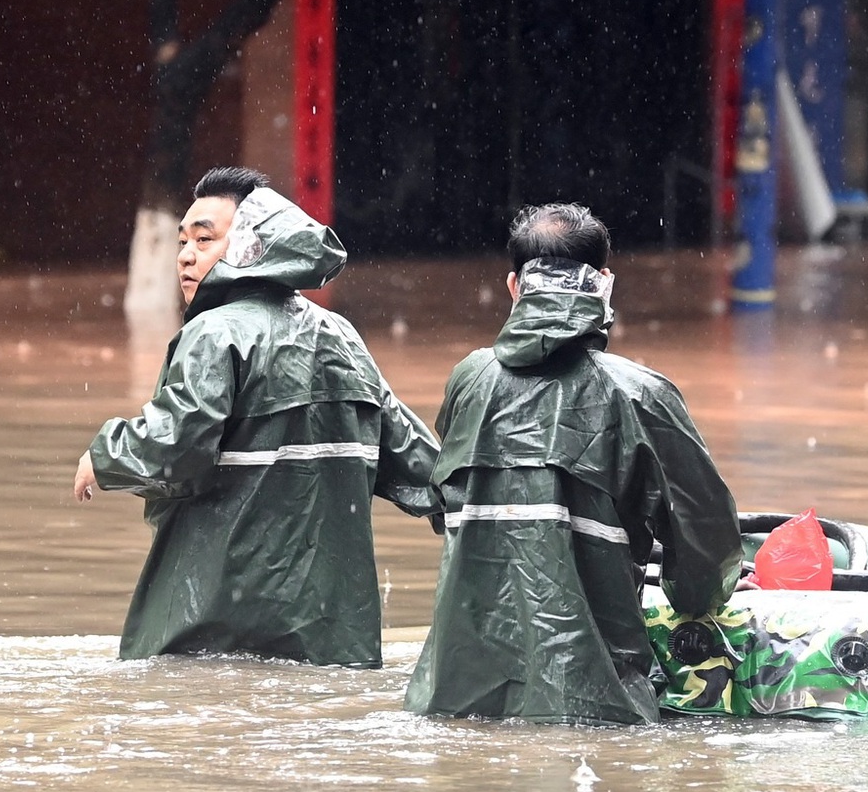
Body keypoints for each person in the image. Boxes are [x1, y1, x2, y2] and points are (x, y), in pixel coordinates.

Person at [73, 167, 440, 665]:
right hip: (330, 635)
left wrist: (106, 455)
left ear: (251, 245)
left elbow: (176, 443)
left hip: (213, 620)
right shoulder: (343, 337)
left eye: (204, 240)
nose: (185, 254)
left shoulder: (215, 333)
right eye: (183, 241)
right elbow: (415, 461)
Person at [405, 203, 743, 724]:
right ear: (604, 285)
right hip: (593, 699)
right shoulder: (640, 394)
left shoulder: (468, 380)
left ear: (514, 287)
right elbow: (705, 539)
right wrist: (693, 602)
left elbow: (446, 506)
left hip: (452, 695)